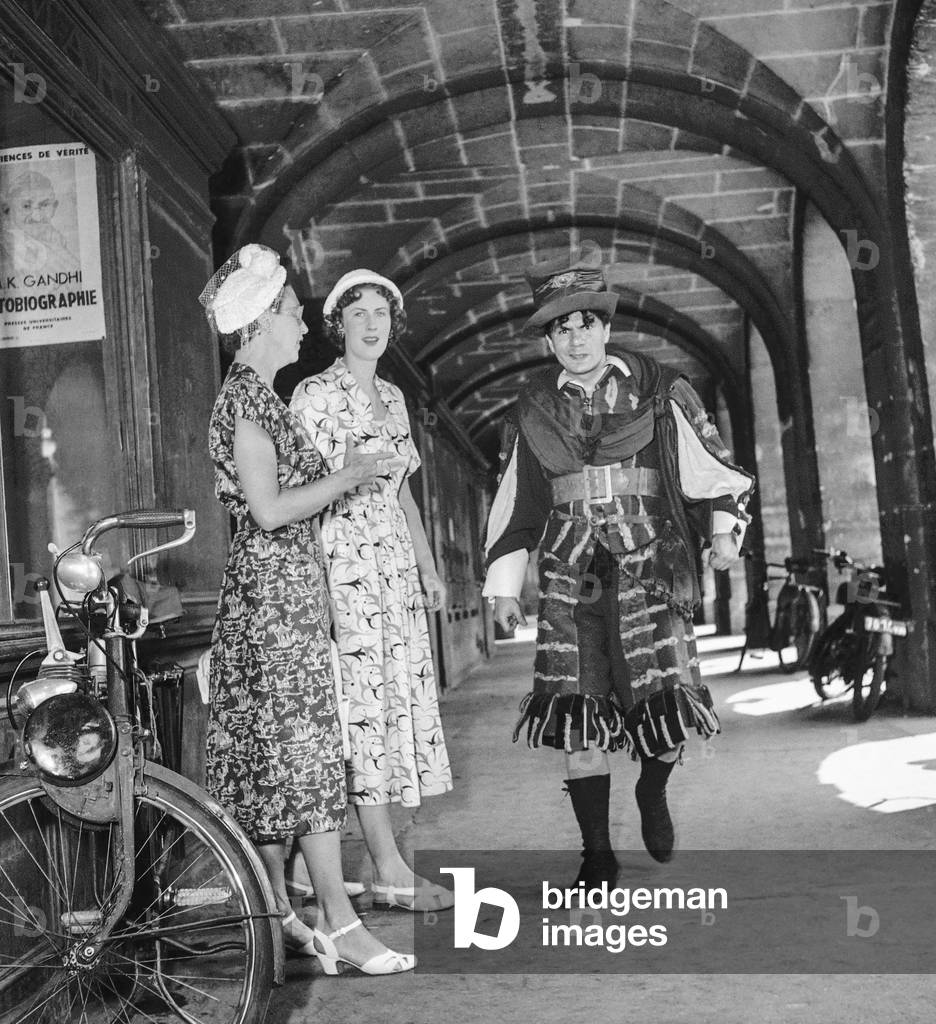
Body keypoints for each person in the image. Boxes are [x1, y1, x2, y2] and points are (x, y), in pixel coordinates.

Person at [482, 252, 754, 885]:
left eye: (585, 323)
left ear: (605, 328)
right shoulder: (530, 412)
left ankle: (653, 791)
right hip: (567, 579)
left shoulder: (662, 392)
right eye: (561, 328)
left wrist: (723, 537)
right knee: (578, 712)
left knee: (660, 707)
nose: (575, 338)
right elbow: (514, 506)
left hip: (650, 570)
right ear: (548, 340)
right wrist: (503, 587)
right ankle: (596, 853)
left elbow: (713, 471)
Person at [201, 244, 414, 974]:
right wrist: (351, 474)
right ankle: (340, 923)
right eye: (292, 311)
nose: (301, 323)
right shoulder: (249, 399)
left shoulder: (254, 395)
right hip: (271, 597)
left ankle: (285, 915)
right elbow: (266, 511)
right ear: (259, 321)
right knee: (307, 758)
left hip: (284, 589)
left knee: (279, 764)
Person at [290, 269, 454, 913]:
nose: (371, 323)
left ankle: (313, 873)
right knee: (358, 717)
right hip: (342, 570)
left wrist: (428, 566)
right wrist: (316, 588)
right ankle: (387, 867)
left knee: (387, 714)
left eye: (380, 312)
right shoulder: (314, 394)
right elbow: (296, 499)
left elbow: (403, 491)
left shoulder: (393, 395)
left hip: (393, 577)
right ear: (337, 325)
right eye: (356, 312)